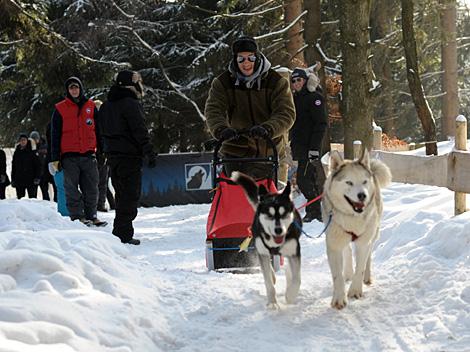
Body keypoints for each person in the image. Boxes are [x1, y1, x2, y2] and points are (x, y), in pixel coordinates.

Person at [204, 36, 295, 180]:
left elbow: (286, 113)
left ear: (257, 57)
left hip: (267, 150)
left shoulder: (276, 81)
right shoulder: (223, 83)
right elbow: (213, 110)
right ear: (235, 60)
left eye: (250, 58)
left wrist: (268, 128)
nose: (246, 63)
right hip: (235, 151)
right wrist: (221, 129)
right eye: (241, 59)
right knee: (238, 196)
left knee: (263, 198)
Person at [98, 70, 157, 245]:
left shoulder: (107, 105)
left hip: (113, 158)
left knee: (122, 194)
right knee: (129, 196)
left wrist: (103, 152)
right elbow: (139, 129)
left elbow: (100, 131)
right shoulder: (130, 103)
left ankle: (120, 232)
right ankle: (123, 234)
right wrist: (149, 151)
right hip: (129, 157)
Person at [49, 77, 105, 226]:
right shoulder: (60, 108)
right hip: (69, 157)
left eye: (76, 87)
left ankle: (92, 215)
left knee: (92, 187)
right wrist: (55, 158)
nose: (74, 90)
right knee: (71, 189)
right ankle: (77, 216)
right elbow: (54, 135)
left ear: (81, 88)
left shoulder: (91, 107)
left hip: (88, 155)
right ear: (68, 90)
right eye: (71, 88)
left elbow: (99, 131)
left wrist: (101, 151)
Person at [290, 67, 329, 222]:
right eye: (293, 81)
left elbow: (321, 124)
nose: (296, 83)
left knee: (303, 180)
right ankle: (315, 212)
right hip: (299, 146)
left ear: (306, 80)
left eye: (299, 79)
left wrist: (314, 148)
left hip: (309, 147)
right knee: (309, 178)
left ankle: (315, 210)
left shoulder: (314, 98)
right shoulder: (295, 99)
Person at [94, 100, 115, 212]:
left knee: (101, 182)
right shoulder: (106, 122)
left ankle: (100, 204)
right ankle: (101, 204)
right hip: (100, 154)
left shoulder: (104, 122)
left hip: (101, 154)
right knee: (102, 183)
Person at [11, 133, 41, 199]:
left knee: (33, 199)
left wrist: (37, 177)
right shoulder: (17, 152)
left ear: (27, 141)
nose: (23, 141)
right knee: (20, 199)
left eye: (24, 140)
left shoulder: (32, 151)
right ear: (19, 141)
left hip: (31, 179)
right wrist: (13, 179)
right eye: (21, 140)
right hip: (19, 179)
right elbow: (14, 167)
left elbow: (38, 165)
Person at [30, 130, 53, 201]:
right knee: (33, 194)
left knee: (45, 191)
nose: (35, 141)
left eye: (36, 139)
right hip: (35, 173)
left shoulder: (45, 145)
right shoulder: (31, 146)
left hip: (45, 172)